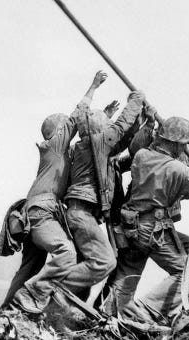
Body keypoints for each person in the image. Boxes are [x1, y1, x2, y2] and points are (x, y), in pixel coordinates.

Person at [110, 117, 189, 320]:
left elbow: (178, 188)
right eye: (184, 144)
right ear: (175, 143)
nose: (185, 149)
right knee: (187, 275)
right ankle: (143, 312)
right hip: (153, 228)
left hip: (132, 225)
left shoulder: (142, 156)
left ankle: (112, 312)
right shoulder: (178, 169)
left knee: (128, 273)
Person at [7, 70, 108, 313]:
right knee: (66, 252)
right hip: (42, 211)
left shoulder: (61, 154)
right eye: (65, 128)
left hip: (38, 212)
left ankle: (7, 310)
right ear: (57, 132)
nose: (70, 130)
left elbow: (86, 134)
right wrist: (93, 86)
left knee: (30, 267)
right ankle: (33, 296)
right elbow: (76, 117)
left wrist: (105, 117)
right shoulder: (53, 146)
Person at [61, 88, 147, 298]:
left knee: (86, 265)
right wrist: (136, 100)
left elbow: (123, 141)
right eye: (106, 127)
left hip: (81, 213)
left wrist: (143, 123)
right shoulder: (96, 142)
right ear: (100, 130)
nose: (110, 131)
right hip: (82, 213)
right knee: (104, 261)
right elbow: (121, 127)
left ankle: (68, 307)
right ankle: (52, 288)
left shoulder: (86, 147)